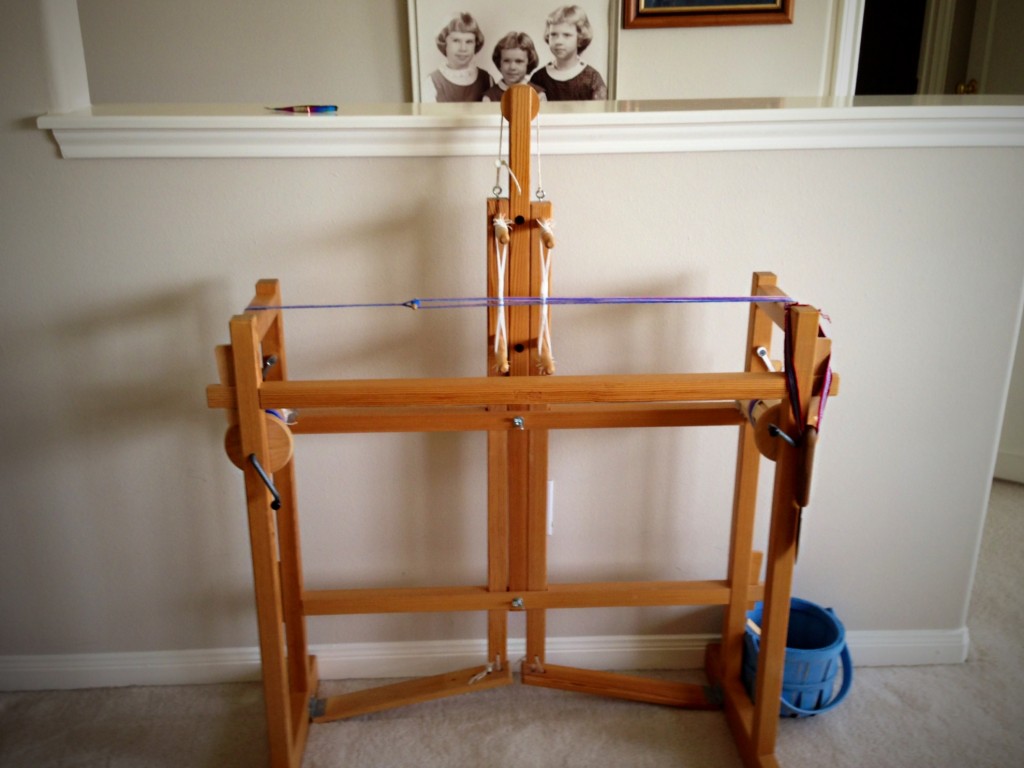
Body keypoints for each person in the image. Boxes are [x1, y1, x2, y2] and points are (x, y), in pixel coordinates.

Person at [529, 5, 607, 101]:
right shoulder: (539, 78)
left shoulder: (591, 78)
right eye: (553, 34)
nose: (558, 41)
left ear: (580, 39)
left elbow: (601, 113)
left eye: (566, 35)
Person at [421, 12, 493, 102]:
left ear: (476, 44)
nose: (463, 48)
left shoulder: (487, 79)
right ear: (444, 43)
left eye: (469, 42)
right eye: (456, 41)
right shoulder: (433, 82)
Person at [482, 31, 546, 102]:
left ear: (529, 63)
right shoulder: (489, 97)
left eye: (519, 61)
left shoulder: (538, 95)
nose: (512, 67)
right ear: (499, 63)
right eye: (506, 61)